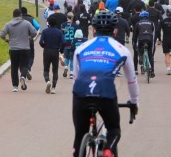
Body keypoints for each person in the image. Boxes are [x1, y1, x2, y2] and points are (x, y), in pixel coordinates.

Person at [72, 10, 139, 157]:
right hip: (105, 93)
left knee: (79, 135)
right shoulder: (122, 50)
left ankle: (78, 150)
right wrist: (134, 103)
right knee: (114, 130)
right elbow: (131, 80)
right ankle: (108, 150)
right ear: (115, 31)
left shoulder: (81, 48)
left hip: (81, 92)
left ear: (93, 30)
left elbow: (75, 78)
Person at [0, 8, 38, 92]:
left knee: (14, 67)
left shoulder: (8, 24)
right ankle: (23, 76)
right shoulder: (26, 23)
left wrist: (6, 40)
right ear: (21, 15)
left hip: (13, 48)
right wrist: (29, 38)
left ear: (13, 15)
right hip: (25, 48)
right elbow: (34, 32)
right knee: (24, 65)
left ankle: (15, 86)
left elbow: (2, 34)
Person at [39, 16, 65, 94]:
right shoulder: (59, 32)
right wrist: (61, 49)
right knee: (55, 70)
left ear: (48, 23)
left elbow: (40, 42)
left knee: (46, 69)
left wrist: (44, 46)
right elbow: (63, 42)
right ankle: (53, 87)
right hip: (55, 51)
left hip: (47, 51)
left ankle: (47, 81)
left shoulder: (44, 31)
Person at [132, 11, 156, 78]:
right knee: (150, 55)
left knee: (139, 48)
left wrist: (134, 43)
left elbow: (135, 35)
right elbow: (154, 33)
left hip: (141, 39)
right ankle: (152, 71)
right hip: (150, 38)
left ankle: (141, 57)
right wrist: (153, 42)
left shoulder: (138, 23)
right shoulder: (151, 23)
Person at [21, 7, 41, 80]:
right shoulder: (31, 19)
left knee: (22, 56)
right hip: (29, 39)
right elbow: (38, 26)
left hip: (20, 40)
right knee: (31, 56)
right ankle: (28, 68)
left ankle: (23, 70)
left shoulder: (18, 19)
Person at [62, 12, 79, 79]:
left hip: (65, 42)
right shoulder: (75, 25)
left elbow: (62, 33)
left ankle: (66, 67)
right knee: (72, 58)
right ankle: (71, 73)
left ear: (67, 17)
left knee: (66, 57)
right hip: (72, 43)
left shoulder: (63, 25)